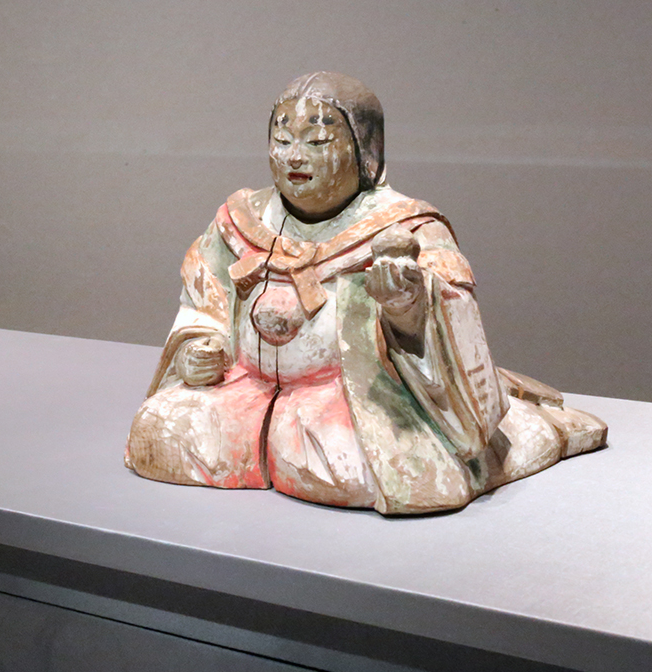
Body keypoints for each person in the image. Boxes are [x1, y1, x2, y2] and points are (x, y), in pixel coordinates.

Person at [125, 72, 606, 515]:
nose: (294, 157)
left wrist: (407, 305)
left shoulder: (406, 227)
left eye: (317, 142)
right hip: (246, 389)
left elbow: (452, 317)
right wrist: (198, 347)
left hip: (347, 397)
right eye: (282, 140)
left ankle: (534, 431)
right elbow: (203, 301)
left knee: (352, 469)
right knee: (159, 431)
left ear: (364, 152)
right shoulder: (239, 220)